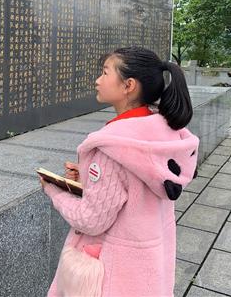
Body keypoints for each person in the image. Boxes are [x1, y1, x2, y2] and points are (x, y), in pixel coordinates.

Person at [39, 46, 200, 297]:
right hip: (148, 271)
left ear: (129, 86)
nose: (97, 80)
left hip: (114, 276)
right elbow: (133, 186)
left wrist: (54, 191)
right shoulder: (163, 134)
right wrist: (87, 177)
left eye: (105, 73)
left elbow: (92, 220)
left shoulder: (111, 148)